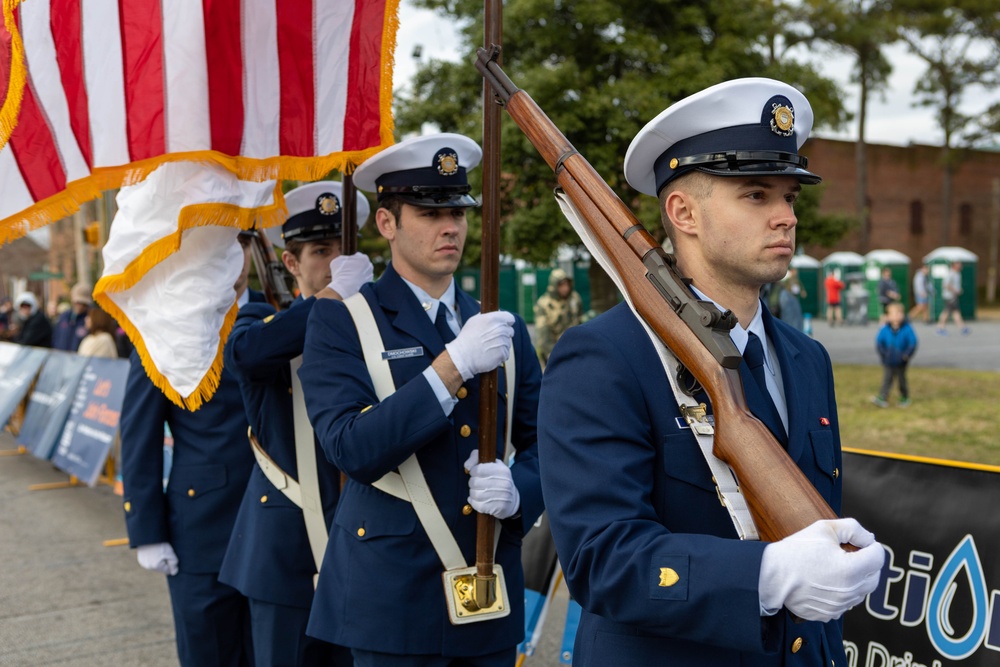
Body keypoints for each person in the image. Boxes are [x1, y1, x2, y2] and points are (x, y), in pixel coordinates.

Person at [538, 78, 885, 666]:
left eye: (790, 198)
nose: (785, 217)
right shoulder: (603, 355)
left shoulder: (806, 357)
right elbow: (602, 559)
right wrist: (765, 576)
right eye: (756, 195)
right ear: (683, 212)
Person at [299, 133, 544, 666]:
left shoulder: (500, 327)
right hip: (391, 599)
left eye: (457, 211)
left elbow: (547, 445)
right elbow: (351, 448)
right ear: (387, 223)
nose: (451, 226)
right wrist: (451, 366)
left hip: (486, 587)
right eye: (429, 213)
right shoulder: (341, 321)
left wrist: (521, 492)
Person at [219, 182, 373, 666]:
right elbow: (247, 356)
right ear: (291, 263)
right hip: (284, 553)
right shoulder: (264, 323)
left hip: (362, 545)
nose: (334, 262)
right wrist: (330, 298)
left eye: (345, 250)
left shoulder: (372, 330)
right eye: (321, 251)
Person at [120, 230, 261, 667]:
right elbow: (139, 433)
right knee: (210, 654)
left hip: (277, 525)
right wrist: (148, 532)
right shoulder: (166, 329)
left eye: (239, 241)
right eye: (218, 241)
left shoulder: (280, 315)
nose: (230, 255)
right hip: (202, 531)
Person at [533, 268, 583, 367]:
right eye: (561, 285)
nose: (565, 288)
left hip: (576, 350)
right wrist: (554, 354)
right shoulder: (544, 303)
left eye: (567, 284)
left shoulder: (575, 299)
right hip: (554, 353)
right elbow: (543, 333)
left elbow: (581, 321)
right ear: (554, 286)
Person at [872, 302, 917, 408]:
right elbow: (879, 342)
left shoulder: (907, 329)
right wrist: (883, 354)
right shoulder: (884, 329)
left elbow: (913, 342)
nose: (896, 316)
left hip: (901, 360)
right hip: (888, 360)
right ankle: (883, 397)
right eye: (893, 314)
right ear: (887, 316)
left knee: (901, 379)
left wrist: (907, 354)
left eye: (899, 313)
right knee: (887, 379)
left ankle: (904, 397)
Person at [52, 282, 93, 351]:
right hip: (61, 357)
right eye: (77, 302)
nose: (80, 306)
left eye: (83, 304)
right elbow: (55, 337)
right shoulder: (64, 317)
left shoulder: (90, 319)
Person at [936, 261, 969, 335]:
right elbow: (946, 285)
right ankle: (940, 328)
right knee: (947, 312)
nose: (960, 266)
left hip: (953, 297)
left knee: (955, 312)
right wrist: (955, 291)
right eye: (958, 264)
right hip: (949, 296)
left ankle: (962, 327)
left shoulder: (957, 273)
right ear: (954, 265)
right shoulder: (950, 274)